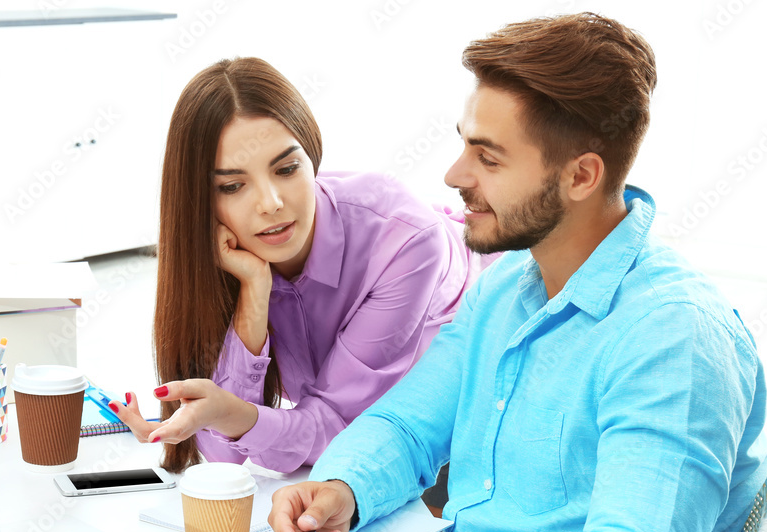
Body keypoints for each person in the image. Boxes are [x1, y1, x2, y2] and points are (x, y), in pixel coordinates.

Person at [269, 13, 767, 532]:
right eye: (464, 145)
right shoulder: (507, 287)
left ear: (581, 176)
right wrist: (342, 489)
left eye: (489, 156)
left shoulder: (676, 340)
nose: (454, 174)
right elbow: (408, 423)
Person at [108, 57, 490, 475]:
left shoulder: (405, 245)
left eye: (287, 169)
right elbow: (225, 456)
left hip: (475, 376)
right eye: (233, 186)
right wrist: (254, 290)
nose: (270, 202)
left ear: (312, 159)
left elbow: (338, 429)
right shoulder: (229, 252)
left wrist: (234, 416)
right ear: (202, 200)